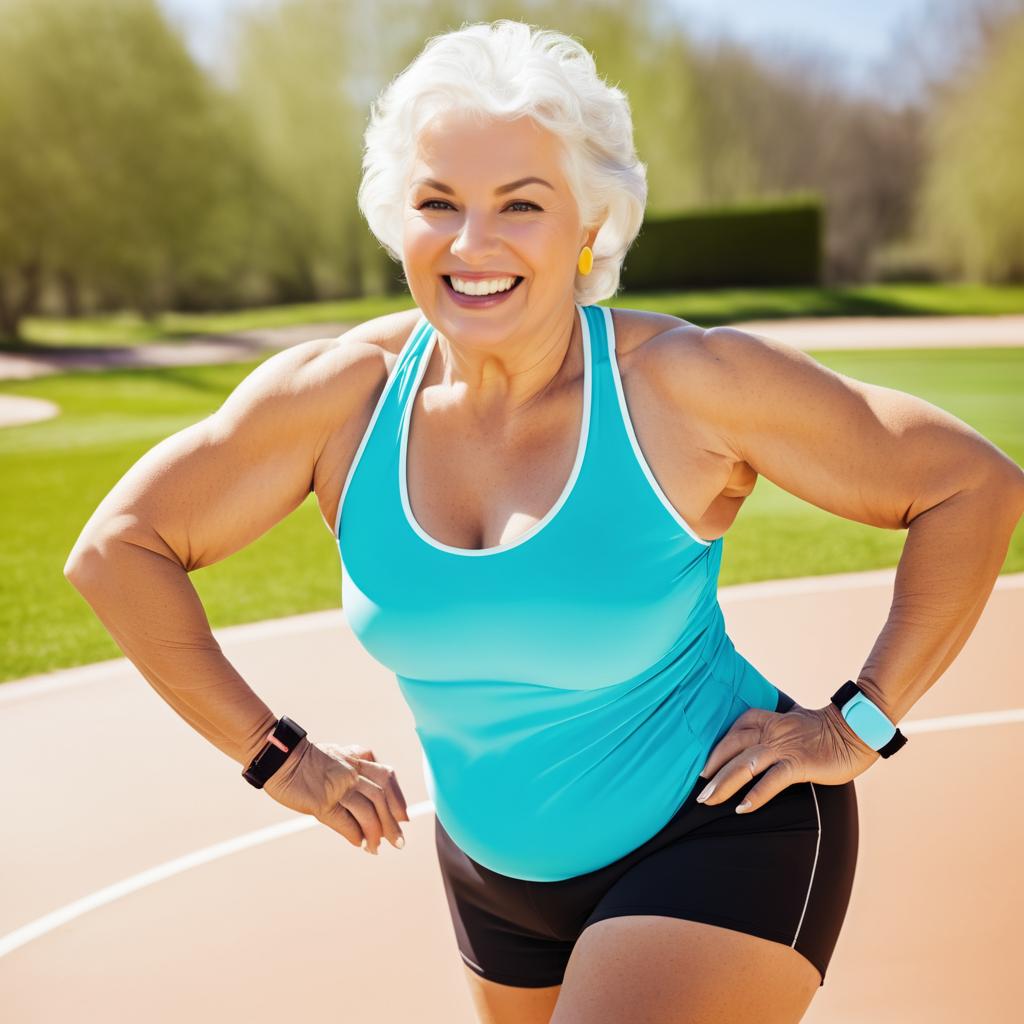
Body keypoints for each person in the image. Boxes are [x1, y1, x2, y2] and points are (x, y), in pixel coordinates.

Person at [64, 18, 1024, 1024]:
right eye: (438, 202)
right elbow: (117, 550)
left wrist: (857, 722)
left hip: (715, 835)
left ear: (588, 226)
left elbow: (969, 485)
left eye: (519, 205)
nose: (472, 244)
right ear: (399, 219)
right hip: (493, 884)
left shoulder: (681, 387)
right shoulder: (339, 398)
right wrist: (278, 756)